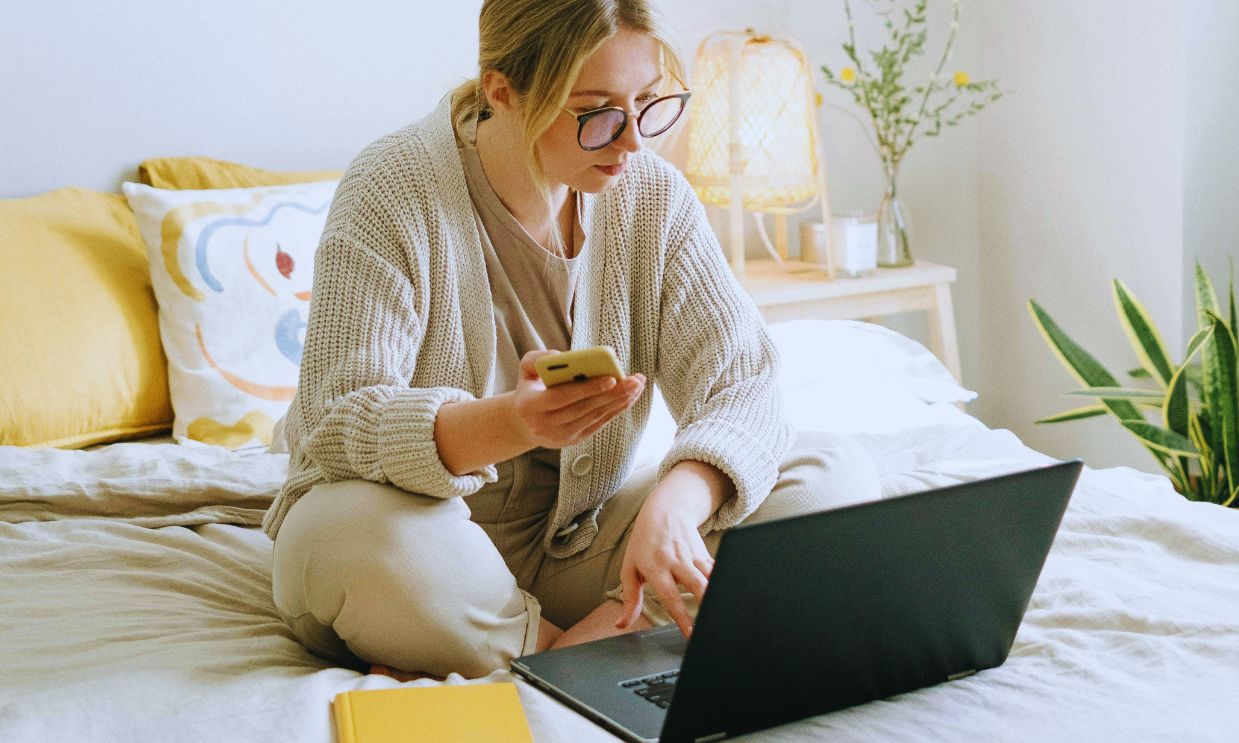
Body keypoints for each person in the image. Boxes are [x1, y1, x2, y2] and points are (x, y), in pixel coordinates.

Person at [265, 0, 880, 681]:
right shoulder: (392, 189)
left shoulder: (652, 197)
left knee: (830, 471)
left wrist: (677, 504)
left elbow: (741, 383)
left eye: (646, 103)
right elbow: (336, 419)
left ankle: (564, 654)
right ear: (502, 90)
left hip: (575, 548)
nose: (632, 143)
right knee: (345, 534)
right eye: (596, 112)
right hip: (422, 550)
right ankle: (601, 650)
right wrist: (509, 423)